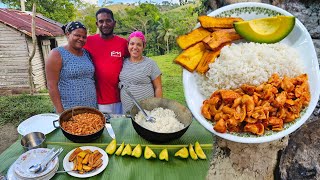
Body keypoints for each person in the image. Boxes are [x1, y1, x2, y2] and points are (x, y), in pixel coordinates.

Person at [84, 8, 129, 114]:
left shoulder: (123, 43)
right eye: (101, 21)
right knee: (103, 128)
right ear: (97, 24)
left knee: (120, 128)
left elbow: (132, 62)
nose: (105, 24)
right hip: (97, 100)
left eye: (108, 20)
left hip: (121, 98)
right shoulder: (88, 42)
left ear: (114, 23)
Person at [45, 21, 97, 114]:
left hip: (91, 107)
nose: (81, 39)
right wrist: (61, 113)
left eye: (84, 37)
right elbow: (52, 85)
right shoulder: (57, 54)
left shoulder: (86, 53)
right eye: (77, 35)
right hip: (69, 109)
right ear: (68, 34)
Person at [119, 31, 163, 113]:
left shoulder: (150, 64)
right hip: (126, 110)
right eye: (132, 44)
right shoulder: (123, 62)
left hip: (147, 111)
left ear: (144, 46)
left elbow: (158, 87)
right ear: (128, 45)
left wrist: (158, 108)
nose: (135, 47)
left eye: (139, 44)